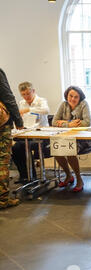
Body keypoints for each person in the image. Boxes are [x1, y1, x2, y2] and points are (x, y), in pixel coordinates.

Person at [52, 86, 91, 193]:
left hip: (82, 139)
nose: (73, 99)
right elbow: (54, 122)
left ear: (80, 98)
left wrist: (63, 123)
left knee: (69, 150)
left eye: (76, 97)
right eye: (70, 96)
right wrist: (69, 124)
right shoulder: (63, 104)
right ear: (67, 95)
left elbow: (87, 123)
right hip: (64, 137)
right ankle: (69, 175)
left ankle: (79, 179)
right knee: (55, 149)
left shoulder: (84, 104)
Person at [12, 81, 50, 184]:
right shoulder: (21, 103)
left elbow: (46, 110)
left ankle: (32, 175)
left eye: (28, 93)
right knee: (15, 148)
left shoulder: (41, 101)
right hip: (27, 133)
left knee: (25, 146)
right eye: (23, 94)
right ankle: (25, 175)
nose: (26, 97)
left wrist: (29, 109)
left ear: (33, 91)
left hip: (41, 136)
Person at [0, 68, 24, 208]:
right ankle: (2, 199)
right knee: (2, 161)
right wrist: (18, 121)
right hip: (2, 125)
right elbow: (8, 97)